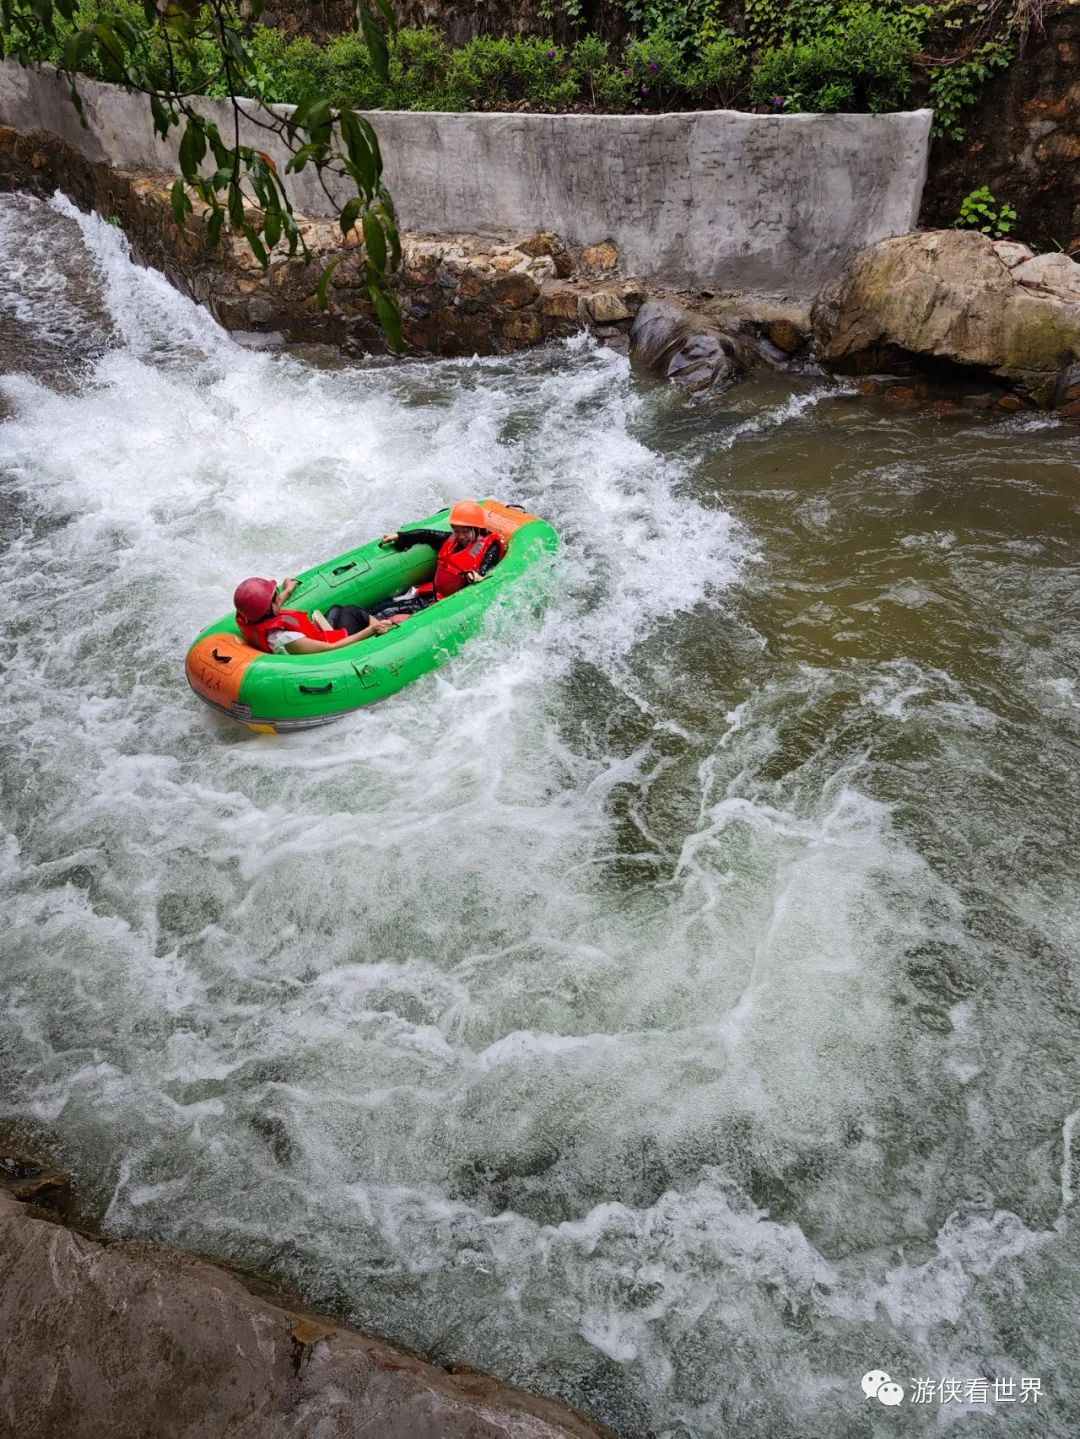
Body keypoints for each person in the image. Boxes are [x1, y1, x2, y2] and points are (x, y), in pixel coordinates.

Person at [375, 500, 504, 620]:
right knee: (382, 608)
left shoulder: (490, 549)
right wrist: (399, 536)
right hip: (434, 594)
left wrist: (475, 575)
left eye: (465, 532)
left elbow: (484, 573)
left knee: (386, 613)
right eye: (457, 531)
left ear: (478, 529)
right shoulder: (453, 540)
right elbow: (427, 535)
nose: (461, 536)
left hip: (448, 604)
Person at [233, 576, 392, 655]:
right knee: (353, 611)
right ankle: (383, 633)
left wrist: (288, 590)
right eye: (276, 595)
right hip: (330, 649)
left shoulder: (251, 617)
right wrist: (371, 631)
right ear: (268, 608)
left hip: (316, 638)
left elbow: (273, 605)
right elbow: (331, 648)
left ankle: (374, 623)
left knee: (336, 609)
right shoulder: (285, 639)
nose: (278, 597)